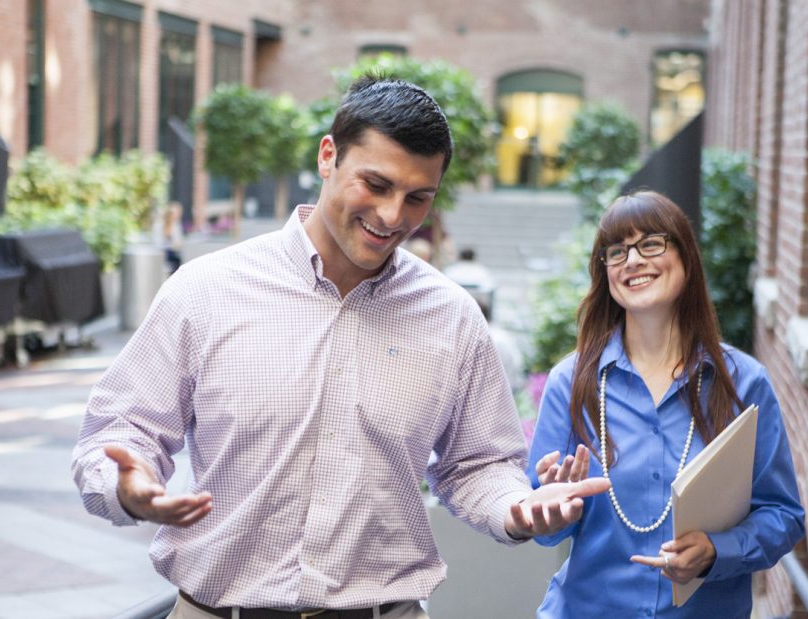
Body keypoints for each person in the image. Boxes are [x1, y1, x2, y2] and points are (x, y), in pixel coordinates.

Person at [71, 75, 609, 619]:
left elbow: (477, 464)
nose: (394, 216)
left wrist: (516, 508)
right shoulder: (206, 290)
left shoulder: (451, 316)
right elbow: (122, 429)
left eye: (417, 197)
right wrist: (129, 483)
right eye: (375, 184)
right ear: (328, 156)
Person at [526, 190, 805, 618]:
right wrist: (550, 511)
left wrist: (717, 551)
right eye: (616, 252)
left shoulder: (742, 383)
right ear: (606, 274)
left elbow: (783, 516)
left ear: (685, 257)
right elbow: (542, 527)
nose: (632, 260)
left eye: (651, 243)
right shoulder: (574, 382)